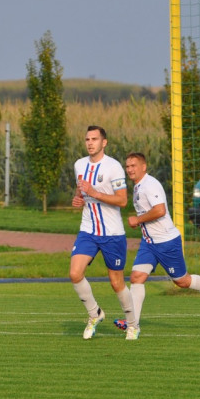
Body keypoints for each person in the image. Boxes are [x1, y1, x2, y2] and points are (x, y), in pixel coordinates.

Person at [113, 152, 200, 338]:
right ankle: (133, 324)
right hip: (149, 243)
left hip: (167, 243)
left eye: (133, 165)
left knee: (182, 281)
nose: (130, 169)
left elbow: (160, 210)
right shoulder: (138, 186)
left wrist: (138, 219)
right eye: (127, 166)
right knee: (136, 277)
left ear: (144, 167)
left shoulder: (150, 185)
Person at [70, 125, 135, 339]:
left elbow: (123, 200)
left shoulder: (113, 167)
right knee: (75, 273)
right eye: (87, 139)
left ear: (104, 142)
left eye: (94, 139)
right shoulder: (79, 164)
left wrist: (95, 193)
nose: (90, 143)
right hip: (88, 230)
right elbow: (81, 191)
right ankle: (94, 314)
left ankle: (132, 324)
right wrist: (78, 199)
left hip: (112, 234)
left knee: (116, 282)